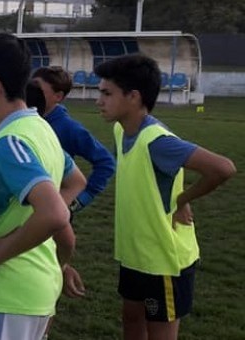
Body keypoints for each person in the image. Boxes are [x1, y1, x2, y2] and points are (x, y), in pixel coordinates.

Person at [94, 55, 235, 339]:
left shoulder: (158, 142)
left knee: (158, 330)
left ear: (134, 97)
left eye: (107, 94)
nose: (99, 100)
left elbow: (223, 168)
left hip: (163, 262)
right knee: (132, 320)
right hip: (136, 254)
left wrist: (182, 200)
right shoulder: (121, 130)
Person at [0, 33, 83, 340]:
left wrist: (3, 248)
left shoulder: (10, 142)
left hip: (6, 291)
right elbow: (75, 181)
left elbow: (54, 213)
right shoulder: (40, 127)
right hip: (36, 287)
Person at [32, 66, 117, 213]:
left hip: (52, 209)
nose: (31, 94)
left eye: (39, 90)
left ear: (58, 96)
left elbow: (106, 162)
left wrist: (82, 199)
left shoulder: (68, 128)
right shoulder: (29, 120)